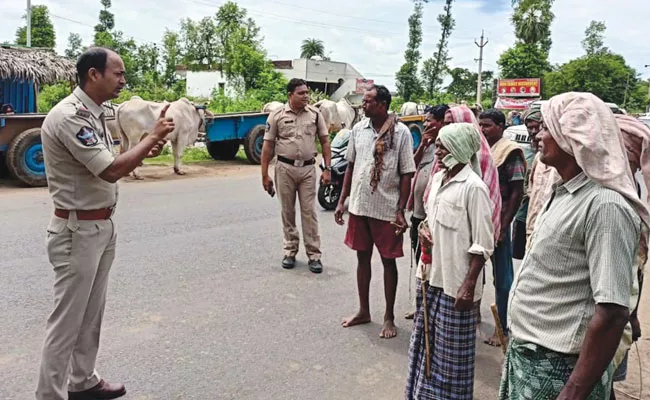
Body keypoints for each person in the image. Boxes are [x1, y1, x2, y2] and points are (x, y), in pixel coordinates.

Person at [36, 47, 173, 400]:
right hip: (77, 230)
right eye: (118, 73)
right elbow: (110, 169)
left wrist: (144, 146)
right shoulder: (70, 116)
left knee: (90, 315)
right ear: (93, 75)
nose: (123, 81)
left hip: (99, 226)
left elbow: (112, 161)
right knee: (67, 322)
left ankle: (82, 381)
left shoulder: (97, 113)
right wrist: (154, 136)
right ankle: (50, 394)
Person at [500, 92, 649, 400]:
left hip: (559, 368)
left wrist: (574, 391)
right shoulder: (565, 192)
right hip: (531, 357)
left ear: (574, 136)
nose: (538, 135)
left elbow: (612, 312)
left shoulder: (605, 205)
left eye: (546, 127)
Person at [404, 123, 494, 399]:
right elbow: (430, 220)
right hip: (431, 278)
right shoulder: (439, 179)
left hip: (456, 286)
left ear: (459, 149)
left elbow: (483, 244)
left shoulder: (474, 188)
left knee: (452, 359)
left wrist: (468, 286)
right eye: (439, 145)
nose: (438, 150)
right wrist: (424, 230)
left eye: (443, 146)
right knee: (426, 346)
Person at [334, 84, 416, 339]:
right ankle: (363, 310)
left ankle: (389, 316)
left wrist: (401, 210)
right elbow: (350, 166)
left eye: (368, 101)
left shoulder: (401, 133)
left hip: (387, 209)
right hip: (360, 205)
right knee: (362, 258)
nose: (362, 105)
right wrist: (341, 200)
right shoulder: (357, 129)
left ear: (382, 105)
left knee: (388, 261)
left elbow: (407, 174)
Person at [261, 78, 332, 273]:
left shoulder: (315, 115)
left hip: (308, 170)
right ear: (290, 95)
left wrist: (327, 169)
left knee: (309, 212)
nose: (306, 96)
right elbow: (267, 146)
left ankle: (314, 255)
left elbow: (325, 142)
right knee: (287, 211)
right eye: (301, 93)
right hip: (284, 169)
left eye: (307, 93)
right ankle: (290, 251)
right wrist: (264, 175)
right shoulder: (276, 116)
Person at [479, 109, 525, 347]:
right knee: (474, 271)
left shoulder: (509, 152)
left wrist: (505, 224)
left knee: (503, 278)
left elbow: (517, 191)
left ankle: (503, 328)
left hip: (501, 222)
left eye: (487, 125)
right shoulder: (482, 149)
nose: (483, 130)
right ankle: (473, 316)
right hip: (480, 220)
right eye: (480, 125)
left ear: (500, 126)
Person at [404, 104, 448, 320]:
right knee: (421, 260)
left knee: (439, 265)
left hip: (438, 219)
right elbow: (412, 166)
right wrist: (423, 144)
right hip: (420, 216)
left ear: (442, 122)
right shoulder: (427, 144)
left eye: (430, 121)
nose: (426, 124)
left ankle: (436, 309)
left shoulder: (450, 146)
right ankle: (420, 306)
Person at [512, 107, 541, 259]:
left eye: (538, 127)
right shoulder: (526, 152)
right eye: (530, 128)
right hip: (526, 210)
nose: (534, 131)